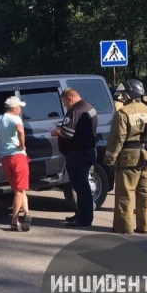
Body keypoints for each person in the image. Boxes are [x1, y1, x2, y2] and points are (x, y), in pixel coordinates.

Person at [105, 80, 147, 234]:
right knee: (145, 194)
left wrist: (109, 160)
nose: (123, 97)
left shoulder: (124, 112)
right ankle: (144, 226)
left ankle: (124, 227)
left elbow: (117, 139)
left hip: (128, 159)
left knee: (125, 194)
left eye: (124, 94)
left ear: (131, 93)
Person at [51, 88, 98, 228]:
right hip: (85, 152)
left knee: (81, 187)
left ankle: (85, 218)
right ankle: (81, 213)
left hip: (78, 154)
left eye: (65, 102)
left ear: (70, 99)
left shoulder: (76, 110)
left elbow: (68, 132)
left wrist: (57, 131)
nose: (65, 105)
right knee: (81, 186)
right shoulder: (89, 107)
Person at [0, 96, 32, 231]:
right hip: (18, 157)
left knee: (19, 189)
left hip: (5, 158)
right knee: (19, 192)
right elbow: (21, 131)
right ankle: (14, 222)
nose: (21, 109)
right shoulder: (15, 118)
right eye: (19, 107)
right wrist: (22, 145)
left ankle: (27, 213)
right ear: (14, 108)